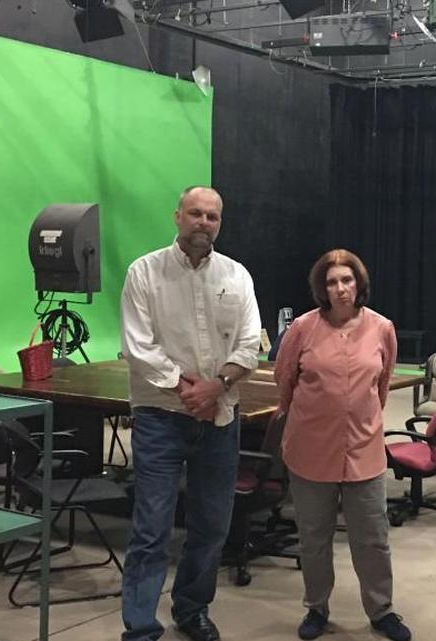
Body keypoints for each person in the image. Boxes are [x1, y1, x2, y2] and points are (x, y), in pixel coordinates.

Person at [120, 186, 261, 641]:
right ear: (177, 216)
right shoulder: (144, 272)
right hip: (160, 417)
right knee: (151, 528)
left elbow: (249, 345)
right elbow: (138, 346)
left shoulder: (237, 275)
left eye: (213, 217)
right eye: (196, 213)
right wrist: (187, 389)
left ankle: (192, 608)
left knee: (212, 525)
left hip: (220, 419)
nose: (204, 222)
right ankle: (141, 626)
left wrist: (216, 387)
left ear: (220, 222)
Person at [274, 249, 411, 641]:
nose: (340, 288)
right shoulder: (302, 328)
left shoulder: (382, 328)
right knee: (313, 537)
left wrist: (358, 417)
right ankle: (316, 608)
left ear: (359, 284)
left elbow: (381, 386)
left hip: (364, 450)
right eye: (332, 282)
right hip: (310, 449)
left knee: (372, 537)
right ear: (322, 287)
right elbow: (285, 381)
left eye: (347, 280)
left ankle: (381, 610)